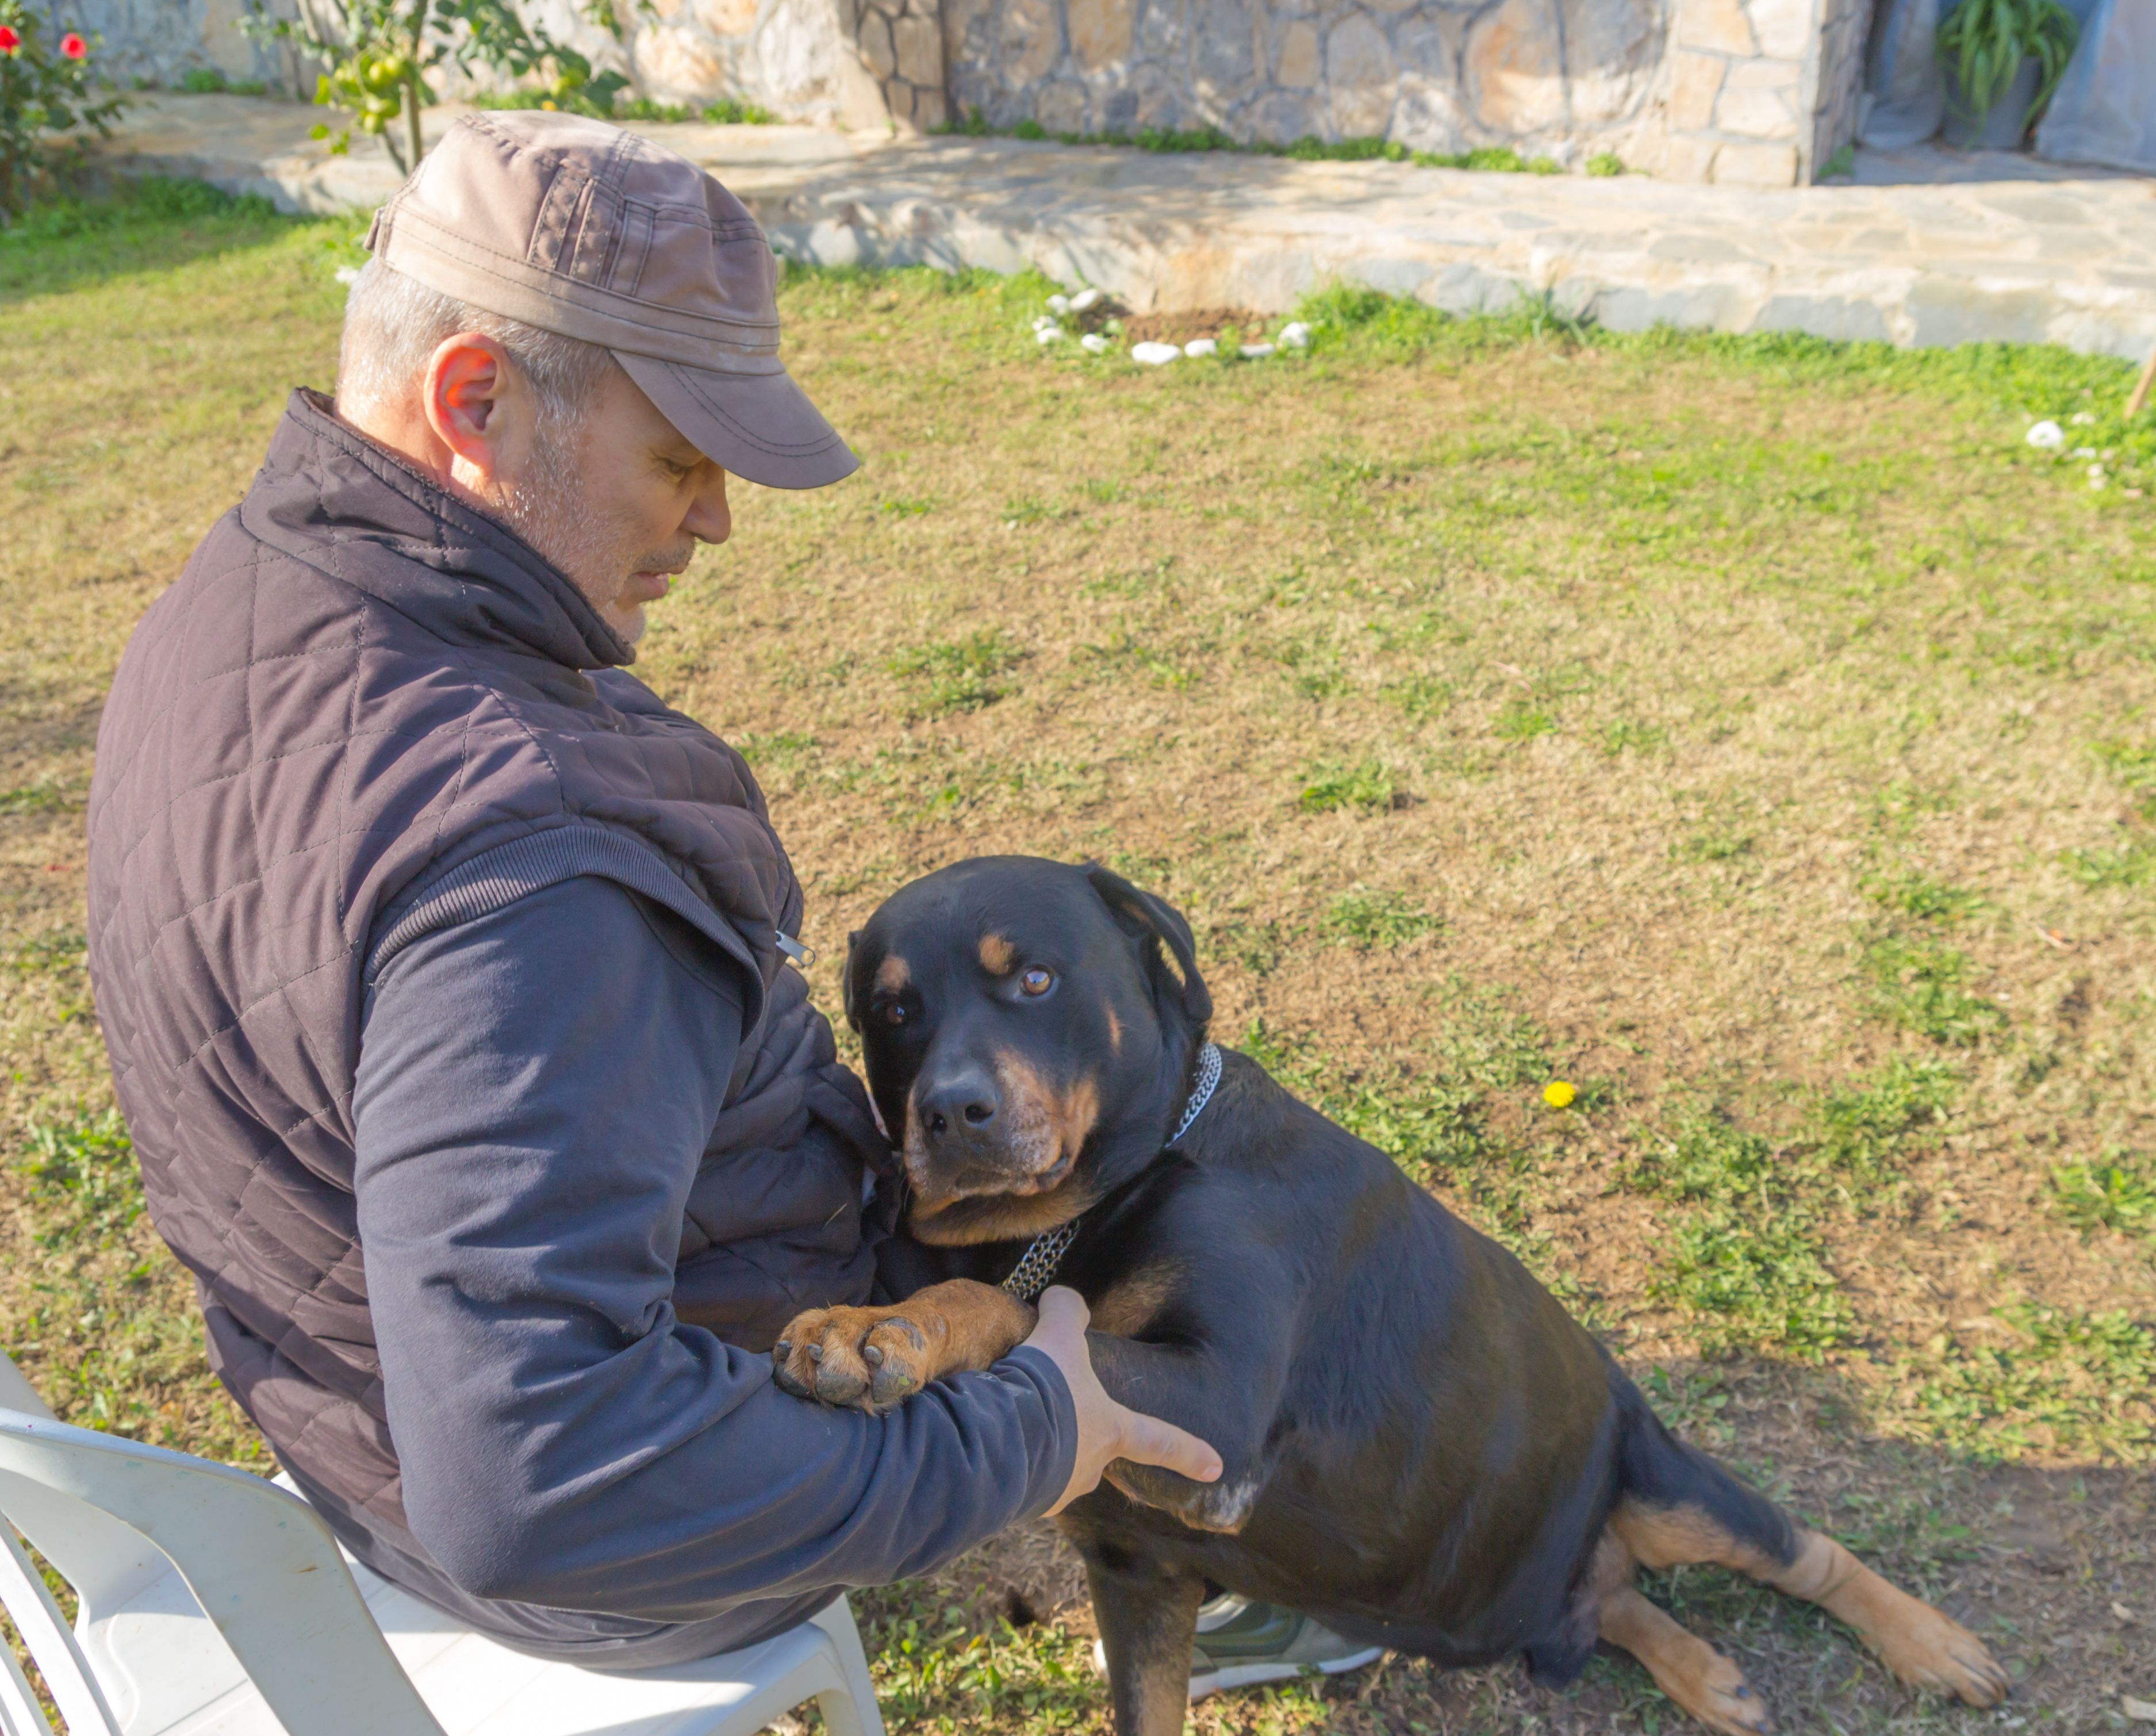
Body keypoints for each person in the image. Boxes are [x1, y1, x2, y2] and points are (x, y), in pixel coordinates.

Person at [83, 111, 1369, 1689]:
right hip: (630, 1555)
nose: (714, 517)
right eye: (678, 458)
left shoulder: (239, 601)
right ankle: (1245, 1531)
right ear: (474, 401)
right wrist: (1041, 1427)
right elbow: (540, 1482)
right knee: (1193, 1212)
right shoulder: (537, 870)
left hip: (352, 1424)